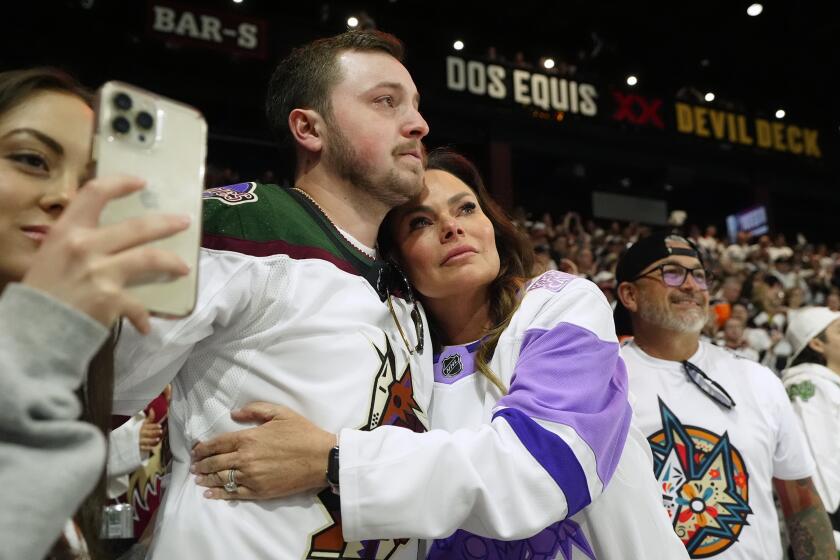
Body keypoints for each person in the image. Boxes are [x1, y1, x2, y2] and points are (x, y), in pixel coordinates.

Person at [192, 149, 689, 559]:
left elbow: (545, 467)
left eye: (466, 208)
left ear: (492, 224)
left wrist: (336, 460)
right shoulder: (404, 360)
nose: (452, 227)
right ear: (398, 258)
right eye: (420, 223)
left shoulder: (560, 303)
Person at [112, 30, 431, 559]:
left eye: (416, 105)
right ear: (309, 128)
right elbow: (98, 391)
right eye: (385, 101)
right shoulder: (238, 224)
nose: (418, 123)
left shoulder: (406, 276)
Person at [0, 68, 190, 559]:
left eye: (91, 182)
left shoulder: (81, 355)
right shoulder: (44, 345)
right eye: (30, 159)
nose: (68, 197)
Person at [614, 233, 835, 559]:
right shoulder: (604, 382)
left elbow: (801, 503)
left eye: (700, 275)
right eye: (671, 272)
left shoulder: (758, 380)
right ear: (630, 294)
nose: (692, 285)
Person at [783, 307, 840, 549]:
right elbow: (821, 458)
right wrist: (830, 533)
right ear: (817, 344)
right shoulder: (808, 384)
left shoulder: (829, 385)